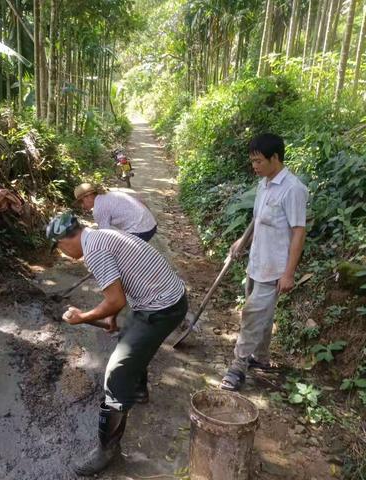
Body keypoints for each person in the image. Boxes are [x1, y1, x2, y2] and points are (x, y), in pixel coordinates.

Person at [46, 212, 187, 475]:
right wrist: (111, 316)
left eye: (59, 249)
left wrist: (82, 317)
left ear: (64, 242)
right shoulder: (99, 236)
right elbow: (118, 291)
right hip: (164, 298)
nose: (63, 253)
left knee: (117, 371)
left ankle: (107, 450)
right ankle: (138, 391)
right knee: (127, 340)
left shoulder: (95, 251)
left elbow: (115, 300)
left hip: (161, 308)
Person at [220, 133, 308, 391]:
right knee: (263, 316)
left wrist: (289, 273)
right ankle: (261, 358)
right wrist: (242, 241)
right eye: (253, 161)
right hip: (257, 262)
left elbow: (298, 232)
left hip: (275, 268)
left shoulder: (293, 189)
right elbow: (258, 219)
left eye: (258, 161)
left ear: (275, 158)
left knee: (251, 314)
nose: (254, 166)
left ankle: (238, 366)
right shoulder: (265, 183)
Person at [74, 183, 157, 242]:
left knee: (121, 256)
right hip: (150, 223)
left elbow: (105, 235)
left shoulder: (99, 208)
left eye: (81, 202)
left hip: (141, 230)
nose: (82, 206)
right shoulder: (108, 194)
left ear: (88, 197)